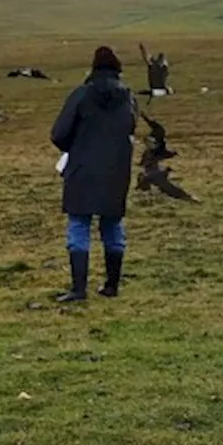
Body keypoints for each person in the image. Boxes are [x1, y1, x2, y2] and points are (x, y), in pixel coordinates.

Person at [49, 45, 138, 302]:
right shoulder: (129, 98)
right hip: (116, 170)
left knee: (79, 224)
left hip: (82, 168)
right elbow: (131, 127)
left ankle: (78, 289)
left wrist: (76, 149)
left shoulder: (81, 95)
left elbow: (59, 133)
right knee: (112, 225)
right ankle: (112, 285)